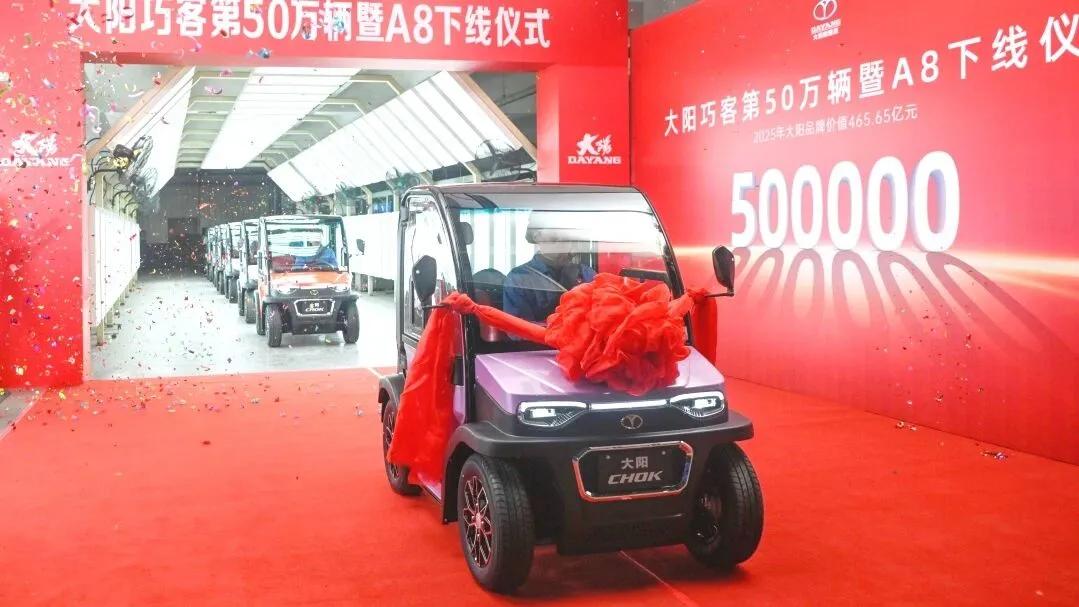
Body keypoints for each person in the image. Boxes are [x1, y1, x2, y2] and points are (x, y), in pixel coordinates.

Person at [503, 213, 596, 323]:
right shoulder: (519, 278)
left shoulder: (586, 273)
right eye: (554, 229)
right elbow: (519, 327)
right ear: (537, 236)